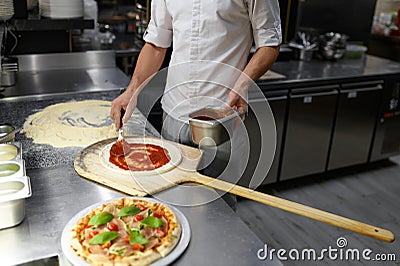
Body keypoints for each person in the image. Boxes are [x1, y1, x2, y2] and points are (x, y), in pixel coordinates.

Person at [110, 0, 282, 208]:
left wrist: (242, 84)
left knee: (219, 210)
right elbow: (156, 43)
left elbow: (269, 43)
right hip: (174, 115)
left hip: (221, 119)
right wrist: (132, 91)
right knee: (171, 202)